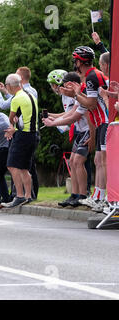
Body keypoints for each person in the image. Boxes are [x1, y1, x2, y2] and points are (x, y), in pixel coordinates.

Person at [62, 46, 109, 212]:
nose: (75, 65)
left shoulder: (91, 77)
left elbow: (91, 104)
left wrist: (75, 95)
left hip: (105, 120)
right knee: (98, 161)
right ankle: (98, 196)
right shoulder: (92, 75)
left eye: (76, 61)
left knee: (103, 161)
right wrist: (75, 94)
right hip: (101, 122)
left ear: (80, 62)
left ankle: (103, 198)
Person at [44, 70, 94, 207]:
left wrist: (53, 122)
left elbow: (74, 117)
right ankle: (75, 194)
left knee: (78, 162)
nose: (61, 89)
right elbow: (71, 113)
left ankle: (83, 195)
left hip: (87, 130)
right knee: (72, 162)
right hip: (80, 130)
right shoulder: (73, 95)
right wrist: (53, 117)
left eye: (64, 86)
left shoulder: (81, 93)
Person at [3, 73, 39, 208]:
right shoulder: (29, 95)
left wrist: (13, 127)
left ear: (9, 86)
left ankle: (19, 195)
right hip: (33, 134)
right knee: (24, 167)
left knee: (12, 165)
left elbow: (11, 118)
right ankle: (28, 195)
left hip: (23, 136)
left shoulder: (16, 98)